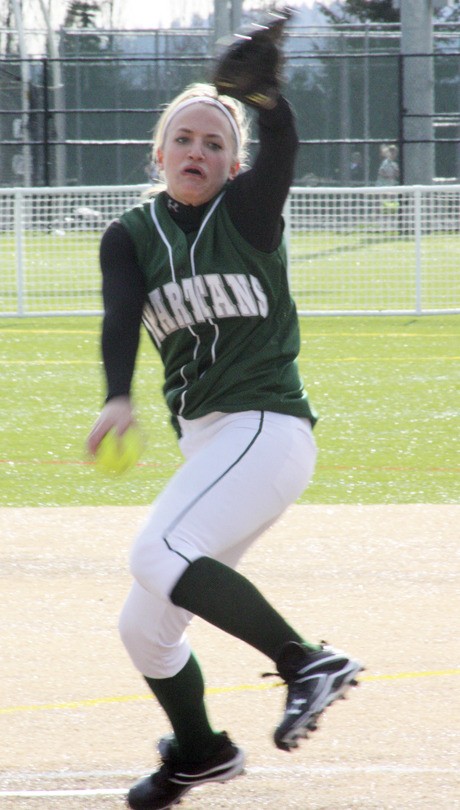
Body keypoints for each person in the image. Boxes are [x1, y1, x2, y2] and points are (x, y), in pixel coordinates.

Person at [87, 21, 363, 810]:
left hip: (267, 429)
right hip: (210, 446)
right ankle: (203, 753)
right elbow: (119, 317)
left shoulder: (246, 213)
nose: (198, 150)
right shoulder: (129, 236)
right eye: (185, 138)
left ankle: (305, 661)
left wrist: (266, 102)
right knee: (144, 627)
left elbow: (281, 150)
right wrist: (117, 395)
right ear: (159, 153)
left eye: (215, 141)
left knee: (158, 548)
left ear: (232, 164)